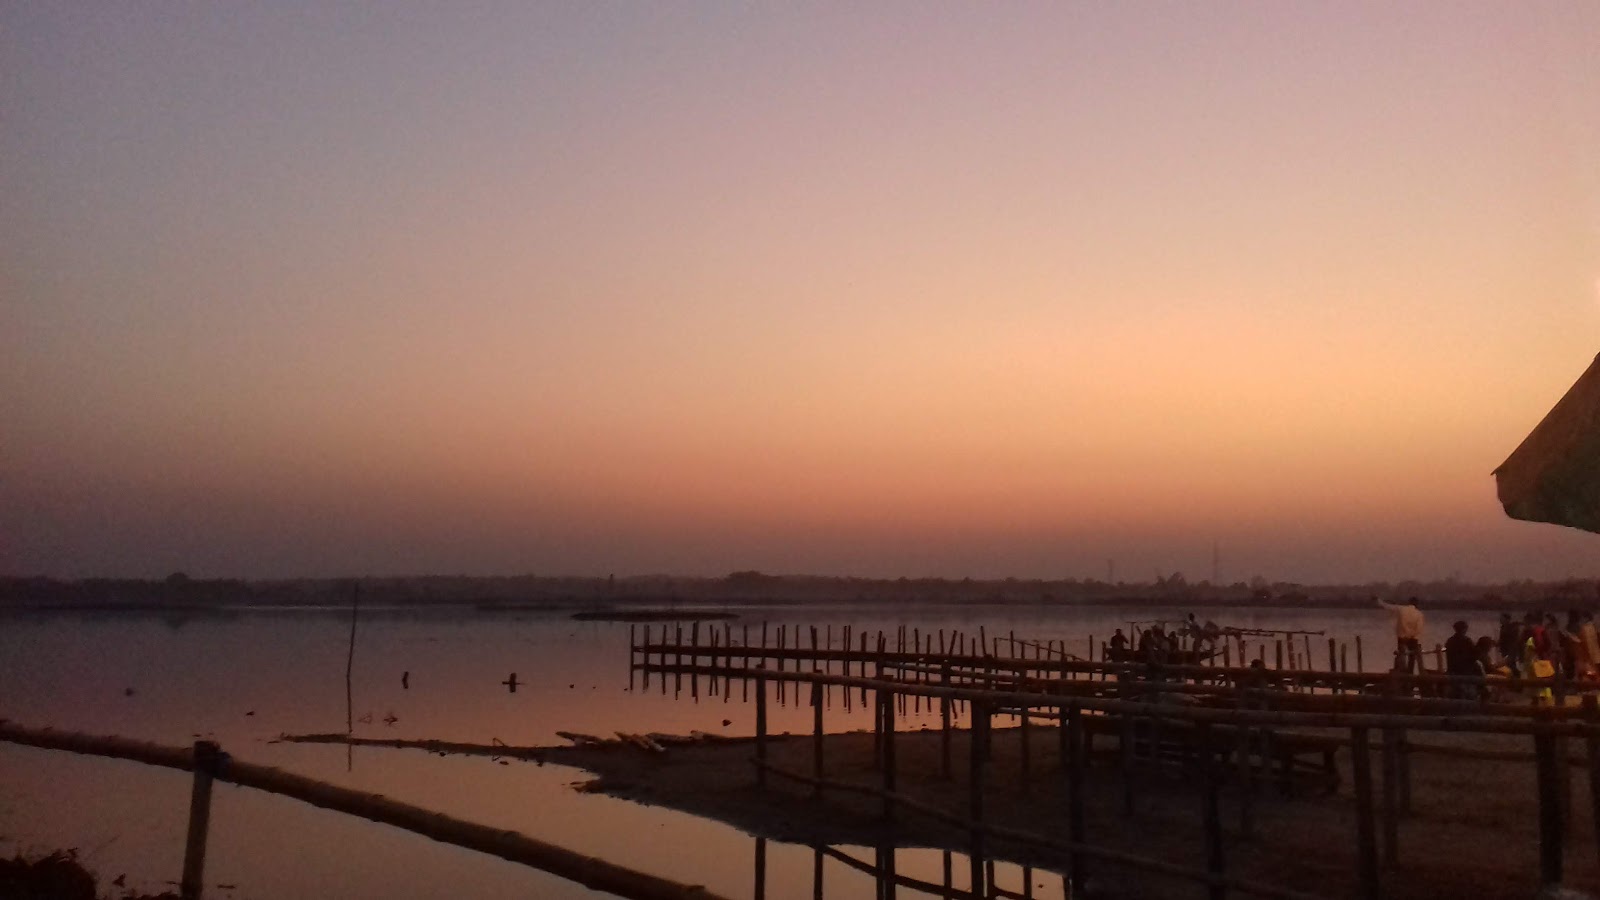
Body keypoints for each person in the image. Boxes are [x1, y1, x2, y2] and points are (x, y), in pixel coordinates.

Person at [1378, 597, 1424, 674]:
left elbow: (1388, 606)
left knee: (1401, 655)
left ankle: (1401, 671)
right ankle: (1410, 673)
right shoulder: (1419, 614)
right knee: (1412, 657)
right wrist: (1412, 634)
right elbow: (1419, 628)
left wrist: (1378, 601)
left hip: (1402, 636)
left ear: (1409, 602)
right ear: (1417, 604)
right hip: (1413, 638)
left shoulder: (1402, 609)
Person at [1443, 620, 1477, 698]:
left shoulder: (1450, 641)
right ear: (1464, 629)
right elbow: (1473, 655)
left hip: (1452, 669)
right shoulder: (1467, 641)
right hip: (1465, 671)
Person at [1497, 612, 1523, 678]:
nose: (1500, 620)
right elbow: (1502, 640)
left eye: (1502, 618)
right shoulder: (1503, 628)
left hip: (1511, 651)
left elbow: (1514, 640)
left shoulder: (1512, 628)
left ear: (1507, 619)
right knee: (1508, 667)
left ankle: (1516, 680)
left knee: (1511, 666)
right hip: (1505, 651)